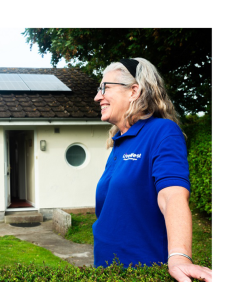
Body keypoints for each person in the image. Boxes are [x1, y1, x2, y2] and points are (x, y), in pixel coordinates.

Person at [92, 58, 213, 282]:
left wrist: (180, 256)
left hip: (142, 272)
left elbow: (172, 195)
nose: (98, 96)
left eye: (105, 88)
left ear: (134, 91)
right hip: (105, 270)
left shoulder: (162, 131)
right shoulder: (119, 142)